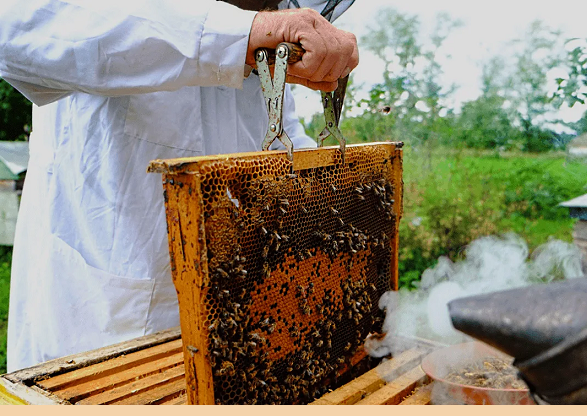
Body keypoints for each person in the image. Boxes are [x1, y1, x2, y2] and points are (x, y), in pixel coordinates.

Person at [0, 0, 358, 371]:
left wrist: (326, 195)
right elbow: (16, 26)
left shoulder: (264, 37)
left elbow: (275, 128)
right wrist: (233, 35)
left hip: (238, 329)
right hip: (105, 330)